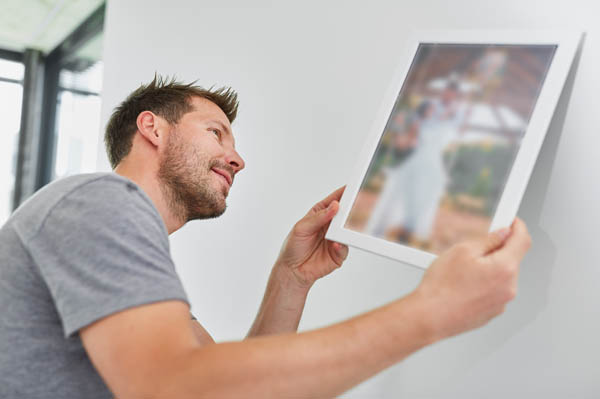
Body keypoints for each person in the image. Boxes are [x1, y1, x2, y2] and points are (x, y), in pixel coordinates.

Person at [0, 76, 531, 399]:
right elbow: (177, 387)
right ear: (153, 129)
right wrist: (433, 311)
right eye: (216, 132)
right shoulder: (98, 201)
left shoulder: (126, 261)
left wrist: (291, 279)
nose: (238, 157)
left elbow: (228, 387)